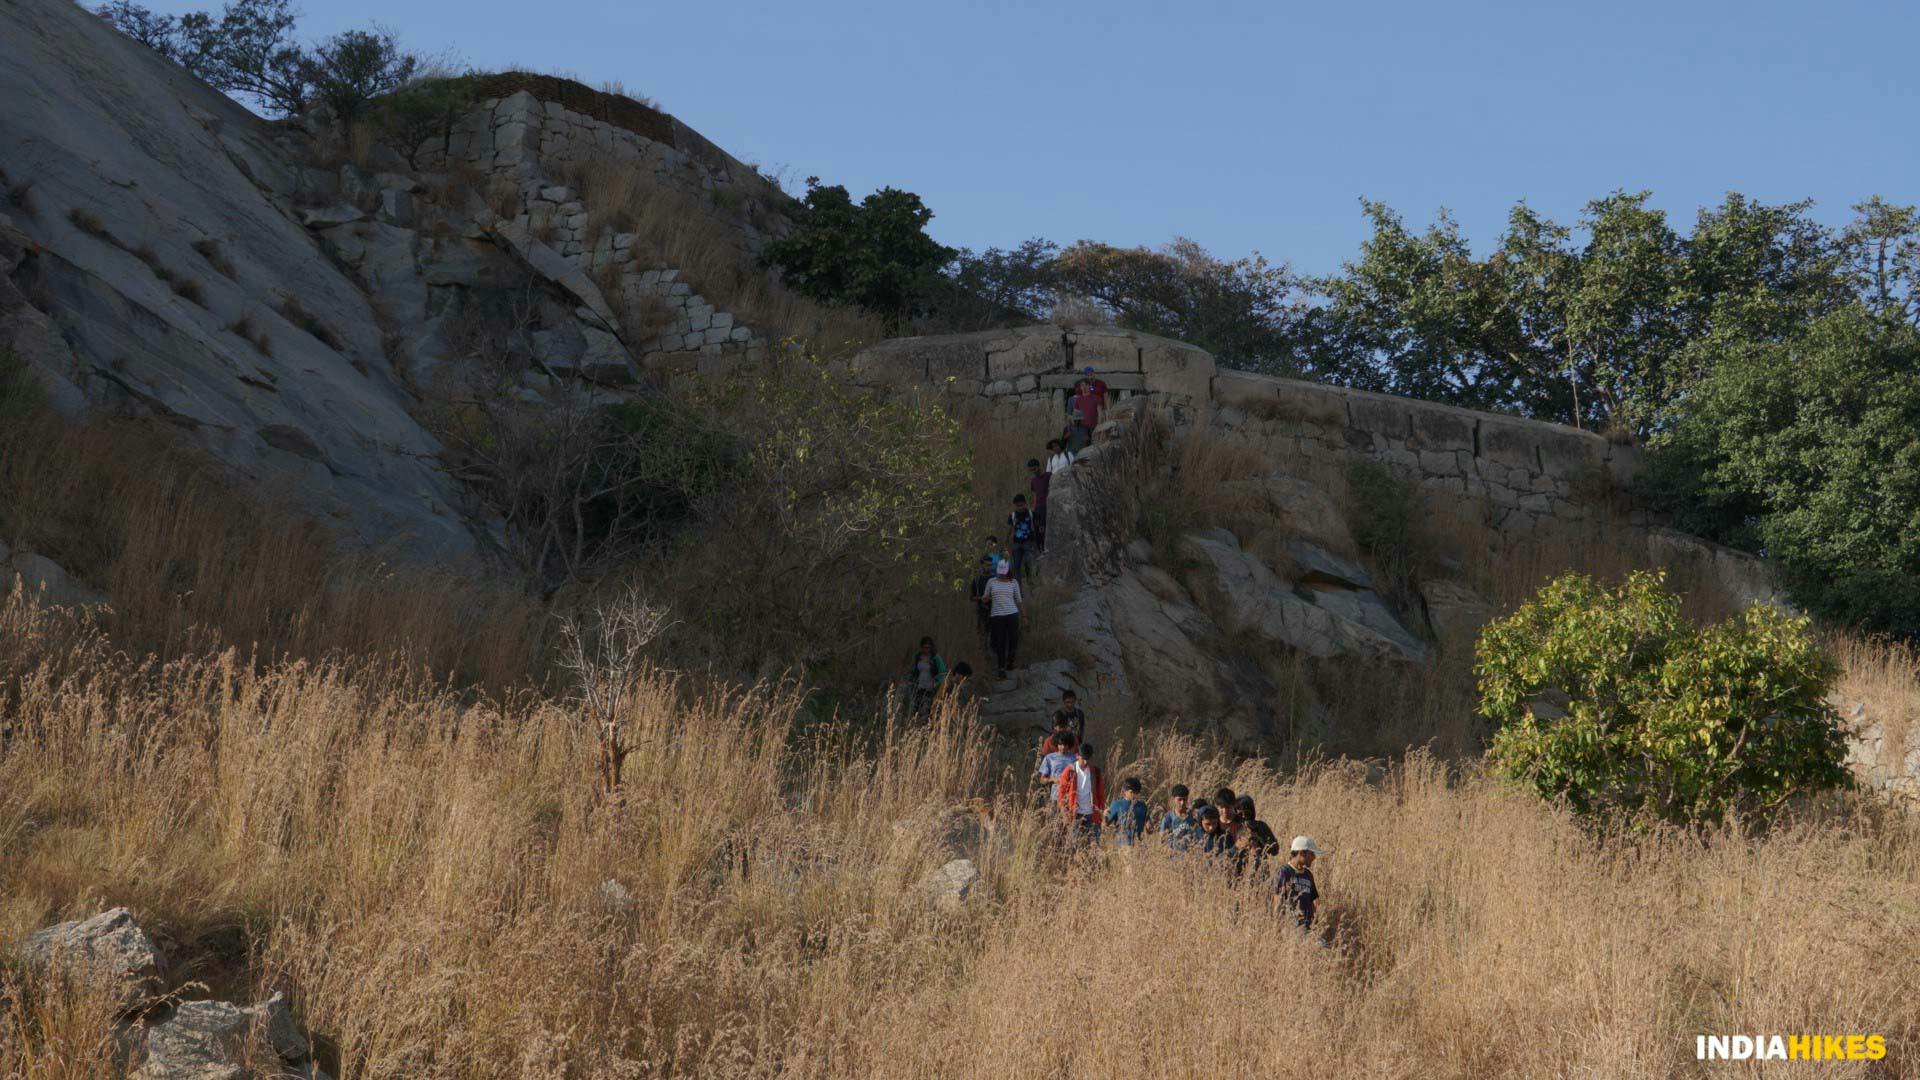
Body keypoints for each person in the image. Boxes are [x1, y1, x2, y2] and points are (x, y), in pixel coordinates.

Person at [979, 559, 1023, 676]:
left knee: (1014, 640)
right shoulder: (991, 582)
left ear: (1008, 570)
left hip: (1012, 614)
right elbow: (984, 598)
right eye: (1000, 571)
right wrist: (986, 598)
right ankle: (1001, 668)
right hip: (997, 616)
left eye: (1004, 571)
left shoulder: (1013, 582)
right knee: (1001, 642)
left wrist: (1025, 616)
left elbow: (1019, 600)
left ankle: (1010, 661)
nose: (1002, 573)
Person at [1056, 741, 1106, 840]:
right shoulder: (1069, 771)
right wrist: (1064, 814)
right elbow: (1061, 794)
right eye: (1083, 759)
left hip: (1092, 815)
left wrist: (1102, 815)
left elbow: (1101, 795)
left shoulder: (1095, 772)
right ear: (1077, 755)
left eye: (1088, 759)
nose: (1086, 762)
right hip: (1075, 815)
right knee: (1075, 846)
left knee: (1094, 847)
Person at [1271, 836, 1323, 930]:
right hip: (1290, 929)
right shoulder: (1284, 872)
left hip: (1308, 930)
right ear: (1301, 853)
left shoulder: (1308, 875)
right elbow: (1277, 902)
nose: (1314, 857)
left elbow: (1313, 902)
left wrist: (1315, 927)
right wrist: (1277, 929)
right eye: (1311, 854)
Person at [904, 636, 947, 715]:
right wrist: (910, 679)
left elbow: (943, 673)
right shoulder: (918, 657)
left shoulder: (936, 658)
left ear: (931, 647)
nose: (926, 649)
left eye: (928, 647)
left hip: (931, 688)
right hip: (919, 687)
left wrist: (937, 682)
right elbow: (915, 670)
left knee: (928, 711)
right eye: (923, 647)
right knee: (916, 710)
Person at [1104, 777, 1150, 845]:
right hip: (1121, 847)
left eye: (1136, 793)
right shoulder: (1117, 804)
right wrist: (1105, 816)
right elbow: (1106, 825)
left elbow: (1149, 829)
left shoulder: (1142, 806)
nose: (1134, 795)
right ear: (1125, 791)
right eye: (1131, 792)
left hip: (1138, 846)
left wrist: (1149, 827)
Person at [1008, 496, 1039, 580]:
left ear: (1025, 503)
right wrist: (1008, 543)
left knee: (1028, 560)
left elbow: (1036, 527)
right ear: (1015, 505)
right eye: (1018, 506)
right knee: (1016, 565)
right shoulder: (1013, 515)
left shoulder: (1031, 513)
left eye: (1021, 505)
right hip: (1016, 543)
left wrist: (1037, 541)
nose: (1020, 507)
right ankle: (1018, 585)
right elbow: (1010, 530)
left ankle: (1030, 580)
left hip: (1028, 541)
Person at [1158, 784, 1198, 849]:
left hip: (1190, 855)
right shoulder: (1168, 818)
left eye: (1184, 800)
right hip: (1174, 856)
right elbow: (1162, 840)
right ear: (1173, 799)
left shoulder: (1193, 816)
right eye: (1179, 800)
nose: (1182, 803)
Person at [1027, 459, 1051, 551]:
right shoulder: (1033, 480)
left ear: (1039, 466)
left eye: (1034, 469)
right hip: (1037, 508)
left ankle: (1047, 548)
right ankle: (1040, 549)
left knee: (1045, 528)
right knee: (1037, 529)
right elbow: (1034, 494)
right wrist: (1034, 507)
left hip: (1047, 506)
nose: (1033, 472)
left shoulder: (1048, 475)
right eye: (1031, 470)